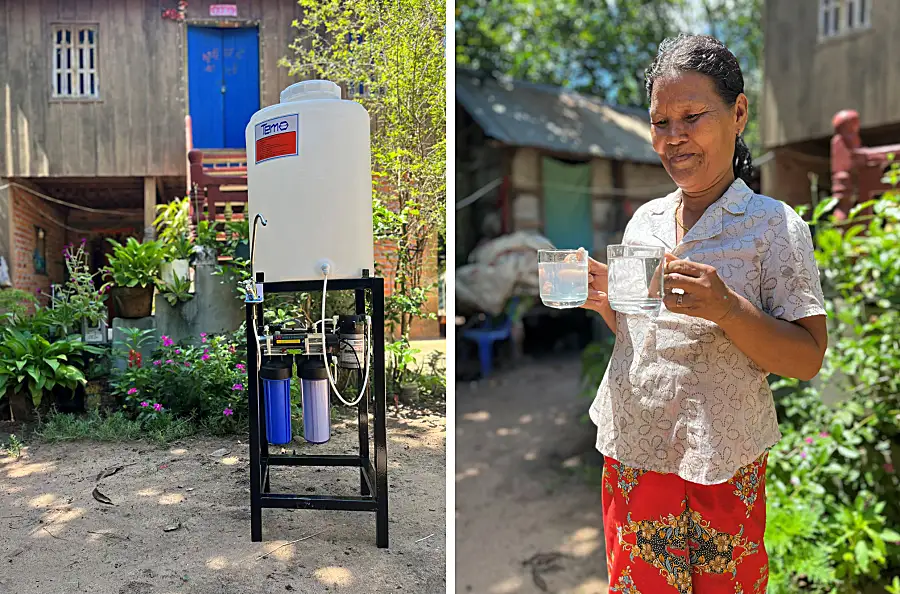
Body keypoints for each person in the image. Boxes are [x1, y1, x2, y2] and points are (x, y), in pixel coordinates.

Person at [582, 34, 827, 594]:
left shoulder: (774, 226)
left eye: (693, 116)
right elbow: (638, 336)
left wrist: (729, 309)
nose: (674, 138)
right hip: (635, 453)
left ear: (738, 112)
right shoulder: (643, 221)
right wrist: (603, 303)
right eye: (660, 122)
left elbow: (809, 359)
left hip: (722, 459)